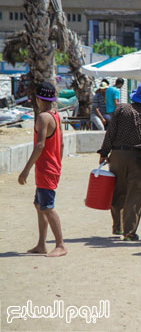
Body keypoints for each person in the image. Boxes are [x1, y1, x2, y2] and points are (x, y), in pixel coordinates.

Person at [98, 82, 141, 241]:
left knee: (117, 192)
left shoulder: (122, 109)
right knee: (134, 195)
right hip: (137, 158)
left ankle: (117, 227)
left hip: (117, 156)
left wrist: (104, 152)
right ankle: (129, 231)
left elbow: (110, 132)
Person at [18, 82, 67, 257]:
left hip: (45, 168)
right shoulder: (55, 115)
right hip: (51, 166)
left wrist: (26, 170)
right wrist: (58, 164)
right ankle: (41, 244)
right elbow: (60, 143)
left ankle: (60, 245)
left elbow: (40, 145)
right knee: (39, 205)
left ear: (38, 99)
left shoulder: (43, 118)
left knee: (47, 206)